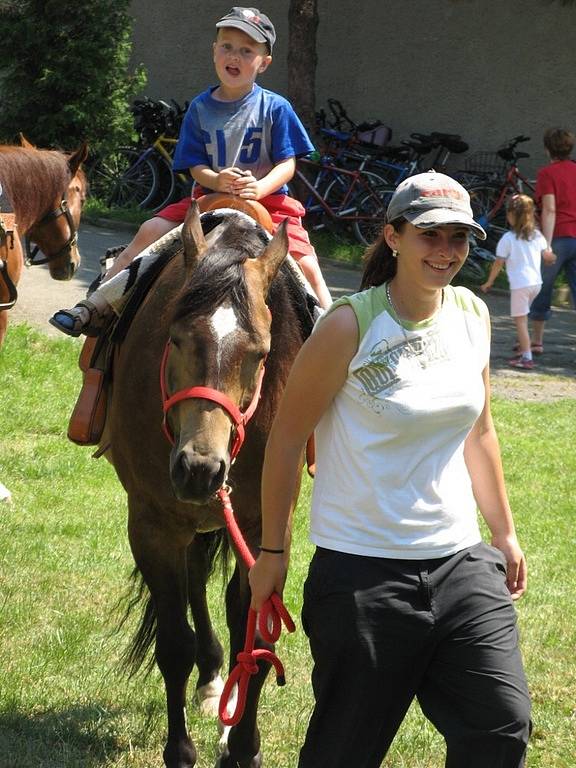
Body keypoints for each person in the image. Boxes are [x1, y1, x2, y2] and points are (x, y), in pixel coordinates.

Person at [249, 171, 531, 768]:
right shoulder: (349, 325)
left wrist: (502, 533)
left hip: (461, 565)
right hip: (361, 573)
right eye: (430, 234)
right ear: (393, 236)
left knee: (500, 728)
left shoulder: (472, 314)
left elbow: (480, 431)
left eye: (459, 236)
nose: (446, 250)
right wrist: (273, 553)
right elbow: (287, 440)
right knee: (344, 753)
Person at [50, 6, 331, 337]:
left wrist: (260, 187)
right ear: (214, 51)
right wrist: (215, 179)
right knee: (149, 232)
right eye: (227, 46)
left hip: (269, 202)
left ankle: (332, 331)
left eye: (247, 50)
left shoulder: (276, 107)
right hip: (209, 198)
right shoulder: (200, 107)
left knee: (306, 262)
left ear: (264, 62)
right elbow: (195, 165)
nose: (235, 56)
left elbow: (288, 163)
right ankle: (94, 305)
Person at [480, 194, 547, 370]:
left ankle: (526, 357)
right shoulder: (536, 235)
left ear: (511, 215)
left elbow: (498, 263)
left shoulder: (508, 239)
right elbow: (547, 254)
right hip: (536, 284)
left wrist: (489, 281)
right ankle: (523, 347)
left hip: (520, 285)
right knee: (524, 318)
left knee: (521, 321)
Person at [528, 127, 576, 353]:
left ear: (547, 149)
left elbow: (549, 209)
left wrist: (546, 244)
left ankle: (536, 342)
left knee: (543, 288)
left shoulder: (547, 173)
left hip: (558, 237)